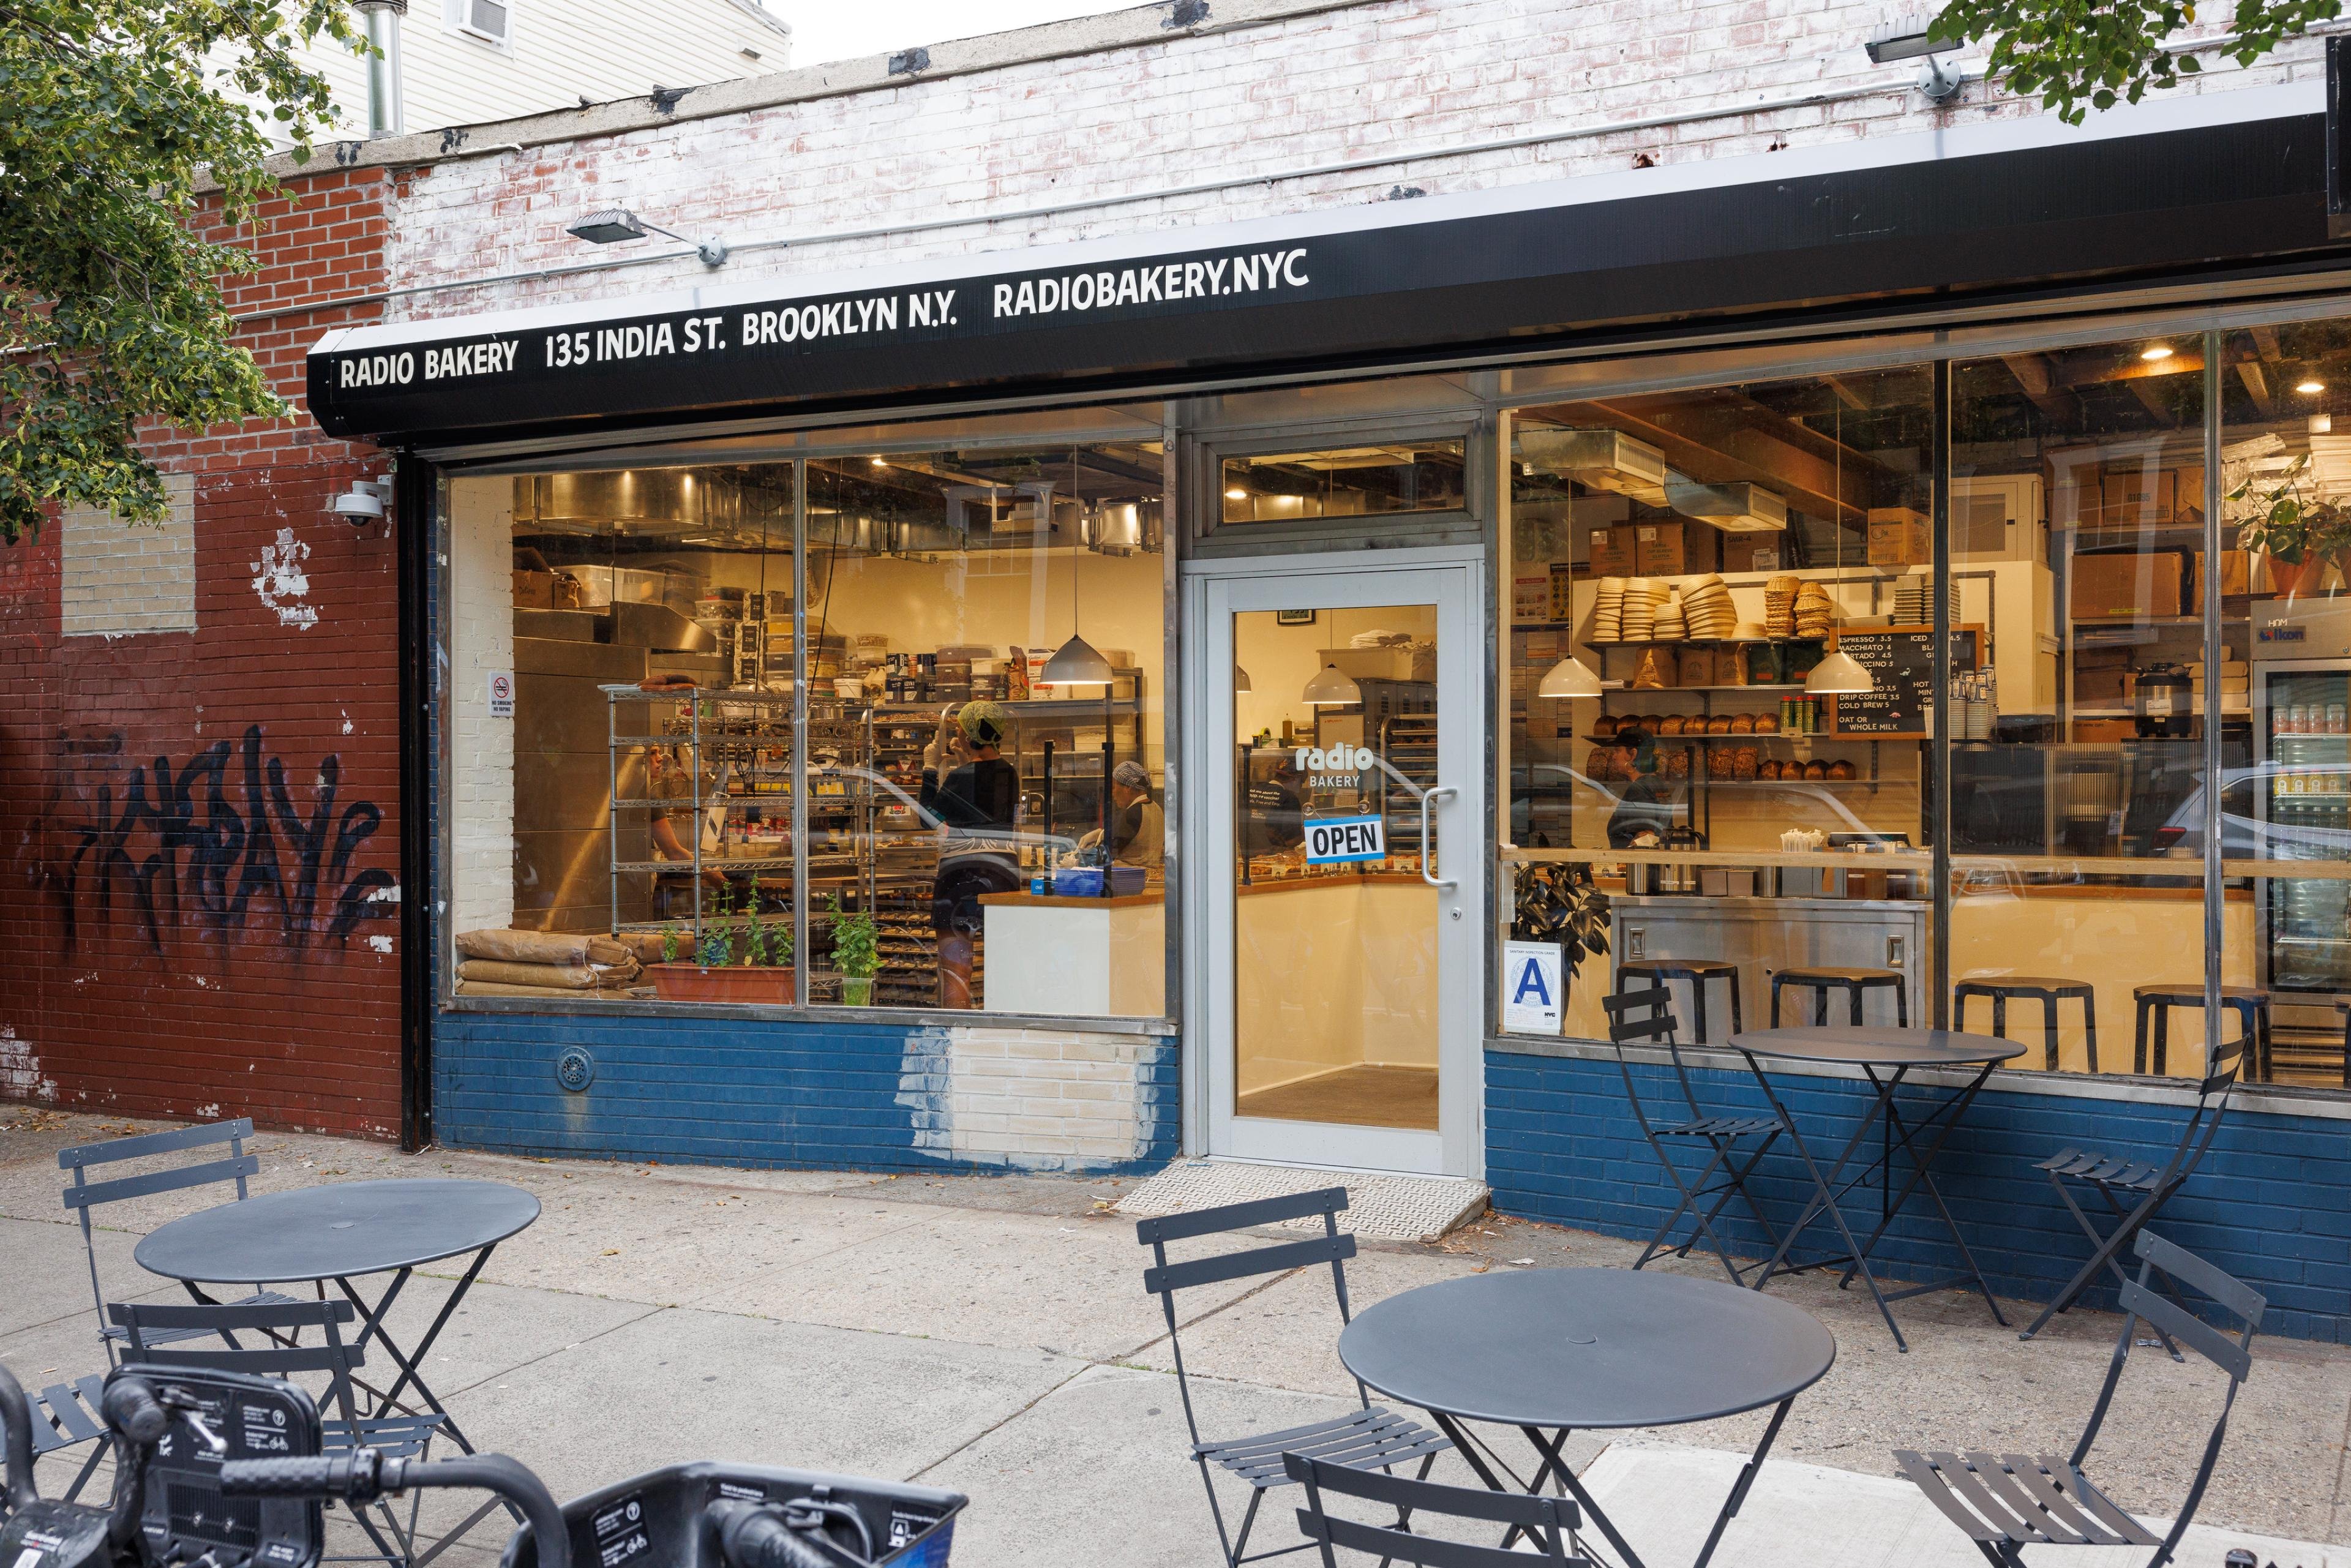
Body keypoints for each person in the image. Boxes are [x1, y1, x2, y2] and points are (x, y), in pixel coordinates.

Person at [921, 700, 1023, 1006]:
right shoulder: (1011, 773)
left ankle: (957, 1035)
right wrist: (965, 759)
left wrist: (930, 767)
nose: (957, 733)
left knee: (957, 966)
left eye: (960, 729)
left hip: (961, 874)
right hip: (1003, 871)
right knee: (1004, 962)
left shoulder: (960, 777)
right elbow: (982, 793)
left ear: (969, 735)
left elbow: (926, 817)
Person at [1605, 724, 1679, 849]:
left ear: (1633, 755)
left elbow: (1645, 839)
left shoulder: (1639, 789)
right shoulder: (1657, 783)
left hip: (1639, 867)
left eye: (1618, 751)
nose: (1614, 756)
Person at [1081, 759, 1164, 868]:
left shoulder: (1132, 814)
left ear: (1128, 788)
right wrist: (1101, 833)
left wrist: (1081, 858)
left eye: (1115, 787)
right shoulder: (1156, 808)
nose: (1113, 793)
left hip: (1128, 879)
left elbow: (1106, 854)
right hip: (1145, 876)